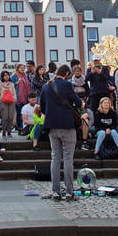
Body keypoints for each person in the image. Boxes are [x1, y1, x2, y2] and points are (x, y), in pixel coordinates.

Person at [40, 63, 82, 201]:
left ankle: (56, 191)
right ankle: (69, 192)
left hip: (52, 126)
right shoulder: (67, 85)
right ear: (66, 74)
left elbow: (42, 108)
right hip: (67, 125)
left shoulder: (46, 87)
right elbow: (77, 102)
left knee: (55, 158)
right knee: (68, 158)